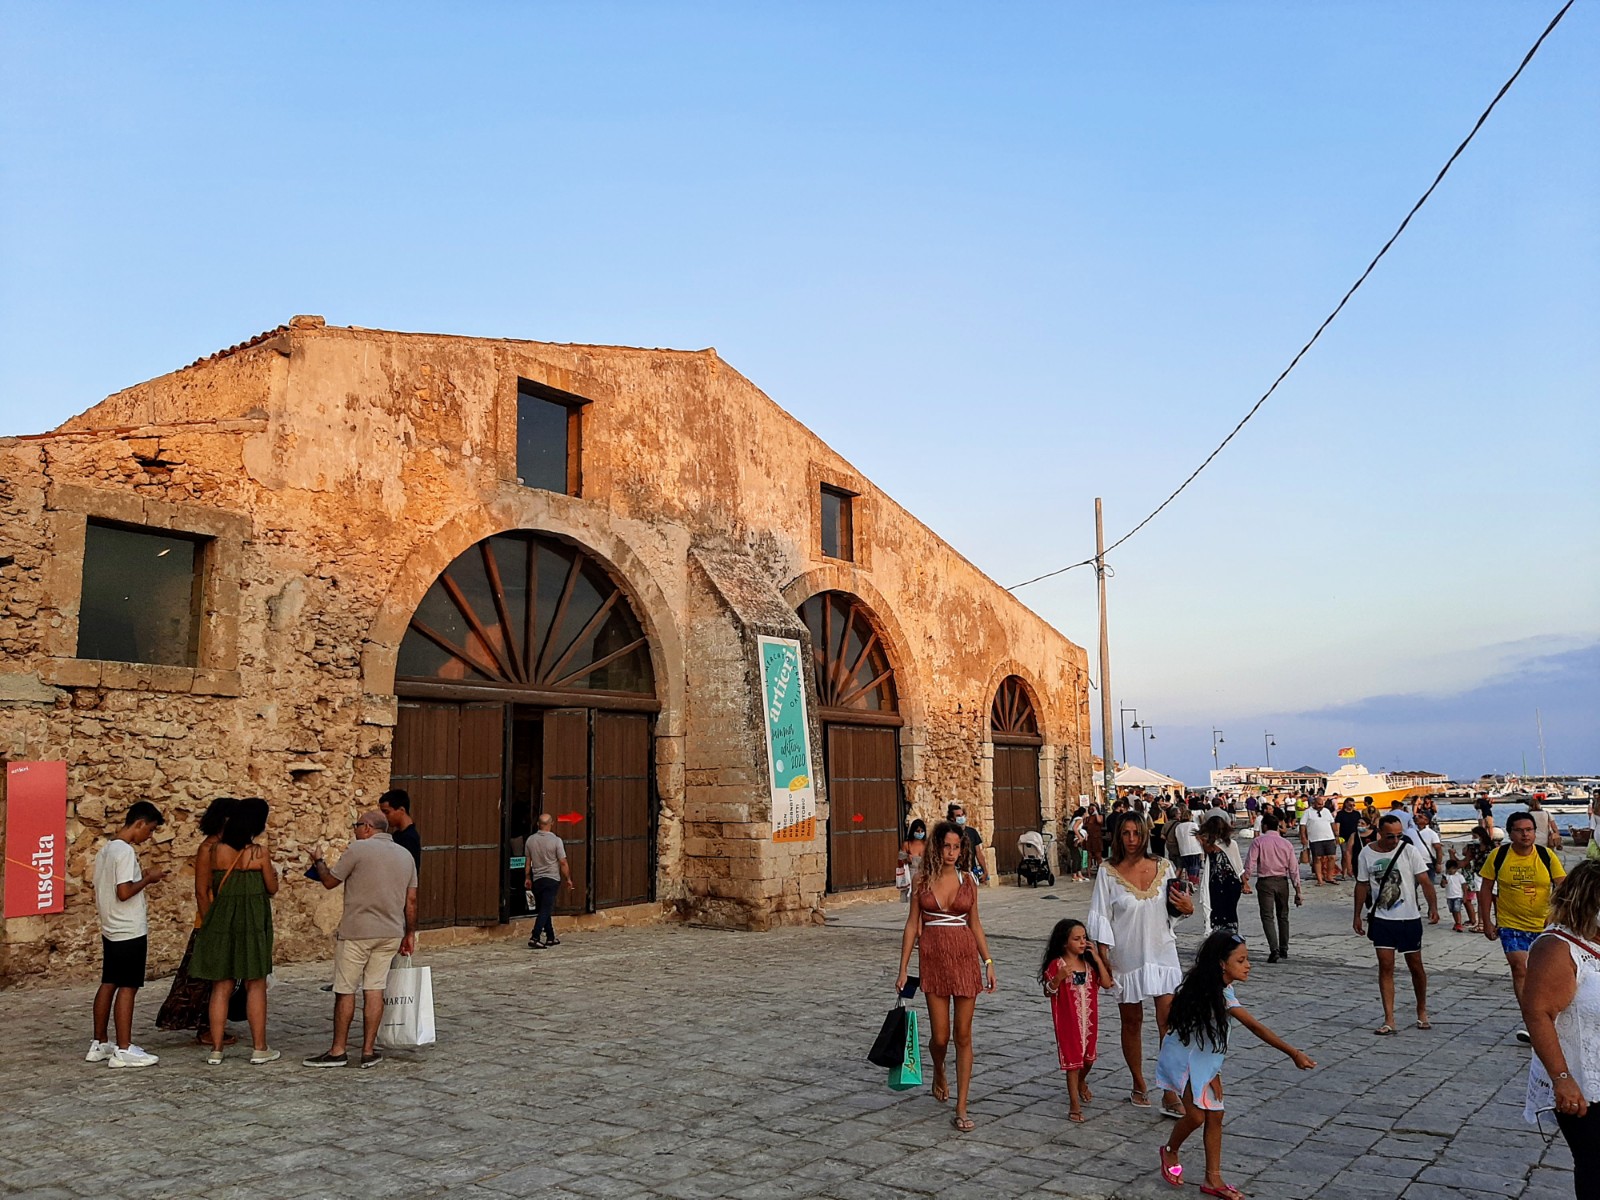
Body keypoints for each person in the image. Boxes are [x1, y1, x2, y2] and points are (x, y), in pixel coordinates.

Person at [1156, 931, 1315, 1198]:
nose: (1248, 965)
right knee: (1196, 1116)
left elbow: (1209, 1038)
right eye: (1241, 961)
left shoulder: (1222, 988)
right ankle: (1170, 1150)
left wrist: (1213, 1072)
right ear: (1222, 963)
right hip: (1183, 1060)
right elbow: (1255, 1027)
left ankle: (1213, 1178)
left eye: (1247, 959)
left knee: (1216, 1115)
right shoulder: (1216, 994)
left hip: (1205, 1061)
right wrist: (1293, 1053)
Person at [1086, 812, 1191, 1118]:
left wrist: (1187, 908)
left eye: (1136, 833)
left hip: (1162, 952)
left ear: (1145, 834)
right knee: (1131, 1021)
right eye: (1126, 833)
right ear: (1118, 836)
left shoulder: (1164, 867)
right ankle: (1138, 1082)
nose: (1131, 839)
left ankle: (1169, 1090)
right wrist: (1103, 959)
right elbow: (1100, 915)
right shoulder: (1108, 872)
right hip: (1127, 956)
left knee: (1168, 1022)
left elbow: (1175, 908)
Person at [896, 820, 996, 1133]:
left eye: (956, 847)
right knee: (940, 1037)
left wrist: (988, 961)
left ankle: (962, 1105)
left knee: (963, 1034)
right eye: (946, 847)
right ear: (936, 848)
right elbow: (912, 924)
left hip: (965, 958)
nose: (951, 852)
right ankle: (939, 1067)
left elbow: (975, 923)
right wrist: (903, 968)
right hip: (934, 959)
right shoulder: (922, 880)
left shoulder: (968, 880)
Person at [304, 810, 418, 1069]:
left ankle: (338, 1050)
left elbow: (330, 881)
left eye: (356, 825)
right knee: (375, 988)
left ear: (367, 827)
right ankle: (368, 1050)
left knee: (345, 989)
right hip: (390, 931)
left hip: (357, 931)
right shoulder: (405, 855)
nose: (354, 830)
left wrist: (318, 860)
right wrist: (409, 933)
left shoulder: (358, 849)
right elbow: (411, 900)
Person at [1520, 860, 1600, 1197]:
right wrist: (1562, 1079)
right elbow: (1537, 1013)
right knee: (1595, 1164)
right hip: (1584, 1083)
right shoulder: (1557, 947)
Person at [190, 797, 280, 1065]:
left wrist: (210, 923)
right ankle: (259, 1047)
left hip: (221, 922)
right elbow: (272, 888)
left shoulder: (213, 851)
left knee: (221, 985)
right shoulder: (259, 853)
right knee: (255, 984)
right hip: (252, 923)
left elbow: (202, 889)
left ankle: (216, 1049)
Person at [87, 802, 168, 1069]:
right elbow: (123, 892)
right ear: (139, 823)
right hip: (128, 929)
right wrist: (148, 879)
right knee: (128, 986)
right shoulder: (124, 851)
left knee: (109, 982)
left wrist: (140, 877)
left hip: (111, 926)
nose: (150, 836)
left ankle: (100, 1042)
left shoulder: (106, 850)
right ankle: (124, 1048)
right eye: (150, 830)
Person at [156, 796, 240, 1046]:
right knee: (202, 980)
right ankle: (206, 1028)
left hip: (227, 921)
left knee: (219, 979)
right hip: (210, 923)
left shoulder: (228, 847)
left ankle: (212, 1025)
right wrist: (212, 924)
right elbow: (202, 891)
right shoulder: (207, 849)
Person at [1480, 810, 1567, 1043]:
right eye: (1519, 830)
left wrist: (1556, 915)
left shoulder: (1546, 855)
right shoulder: (1498, 856)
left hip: (1544, 925)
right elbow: (1485, 889)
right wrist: (1486, 921)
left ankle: (1549, 1019)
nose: (1525, 835)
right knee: (1520, 969)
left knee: (1546, 975)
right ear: (1510, 833)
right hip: (1511, 924)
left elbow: (1563, 887)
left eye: (1529, 830)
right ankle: (1533, 1022)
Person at [1353, 814, 1439, 1035]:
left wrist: (1433, 907)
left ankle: (1421, 1010)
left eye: (1399, 835)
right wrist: (1357, 915)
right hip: (1382, 918)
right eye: (1390, 836)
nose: (1395, 840)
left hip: (1409, 917)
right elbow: (1362, 885)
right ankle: (1389, 1018)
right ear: (1379, 832)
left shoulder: (1409, 850)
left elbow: (1424, 880)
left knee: (1415, 966)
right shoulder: (1366, 854)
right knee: (1386, 965)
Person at [1039, 918, 1109, 1123]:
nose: (1081, 942)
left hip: (1090, 1022)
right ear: (1064, 942)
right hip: (1068, 1023)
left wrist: (1097, 959)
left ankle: (1081, 1081)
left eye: (1084, 938)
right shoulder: (1057, 965)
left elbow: (1106, 983)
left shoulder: (1089, 965)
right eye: (1076, 939)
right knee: (1073, 1063)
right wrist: (1058, 978)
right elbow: (1048, 991)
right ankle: (1074, 1105)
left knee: (1089, 1059)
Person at [1241, 813, 1302, 963]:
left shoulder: (1258, 842)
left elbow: (1250, 864)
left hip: (1265, 882)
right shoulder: (1286, 844)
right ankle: (1284, 948)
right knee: (1283, 916)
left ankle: (1274, 949)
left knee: (1267, 916)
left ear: (1265, 826)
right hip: (1282, 881)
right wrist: (1298, 891)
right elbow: (1294, 869)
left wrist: (1245, 880)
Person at [524, 812, 577, 947]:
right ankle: (535, 936)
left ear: (538, 824)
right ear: (551, 824)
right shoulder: (556, 841)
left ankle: (550, 937)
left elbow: (528, 862)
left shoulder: (530, 840)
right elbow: (563, 862)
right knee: (545, 909)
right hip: (552, 878)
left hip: (537, 878)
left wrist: (527, 877)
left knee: (544, 907)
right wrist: (568, 879)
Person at [1197, 815, 1248, 936]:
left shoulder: (1208, 844)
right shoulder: (1231, 844)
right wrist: (1245, 882)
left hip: (1217, 883)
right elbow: (1238, 866)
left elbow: (1237, 865)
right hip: (1231, 882)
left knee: (1218, 911)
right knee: (1229, 912)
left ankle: (1219, 936)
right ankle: (1231, 935)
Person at [378, 789, 422, 871]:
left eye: (387, 812)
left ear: (401, 810)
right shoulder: (398, 835)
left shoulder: (409, 838)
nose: (384, 817)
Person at [947, 802, 989, 883]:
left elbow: (979, 853)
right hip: (954, 873)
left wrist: (985, 870)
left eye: (962, 815)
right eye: (958, 816)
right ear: (952, 818)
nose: (961, 817)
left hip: (970, 872)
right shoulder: (949, 834)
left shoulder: (972, 832)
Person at [1300, 797, 1338, 886]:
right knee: (1317, 858)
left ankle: (1329, 876)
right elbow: (1302, 825)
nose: (1320, 806)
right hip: (1315, 839)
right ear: (1314, 804)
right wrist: (1303, 837)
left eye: (1322, 804)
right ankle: (1320, 879)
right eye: (1319, 804)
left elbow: (1332, 823)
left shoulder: (1326, 811)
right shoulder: (1308, 812)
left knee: (1332, 857)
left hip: (1329, 837)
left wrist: (1336, 834)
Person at [1169, 806, 1202, 886]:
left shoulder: (1178, 826)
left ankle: (1190, 882)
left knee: (1188, 867)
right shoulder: (1193, 825)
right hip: (1194, 849)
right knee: (1195, 867)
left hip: (1183, 850)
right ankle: (1193, 883)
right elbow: (1198, 836)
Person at [897, 817, 927, 900]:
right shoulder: (907, 844)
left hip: (924, 875)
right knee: (911, 900)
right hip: (910, 876)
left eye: (922, 831)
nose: (920, 833)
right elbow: (899, 863)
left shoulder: (927, 844)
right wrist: (906, 859)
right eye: (917, 831)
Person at [1334, 798, 1362, 881]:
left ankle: (1354, 870)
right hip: (1344, 837)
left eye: (1353, 805)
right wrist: (1337, 835)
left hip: (1355, 836)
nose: (1352, 806)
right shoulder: (1340, 814)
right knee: (1345, 854)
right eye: (1350, 805)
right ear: (1346, 804)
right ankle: (1344, 872)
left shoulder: (1356, 813)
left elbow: (1360, 824)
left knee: (1355, 854)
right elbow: (1337, 825)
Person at [1412, 809, 1443, 884]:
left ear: (1426, 821)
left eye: (1420, 817)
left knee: (1429, 885)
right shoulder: (1410, 831)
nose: (1417, 817)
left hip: (1427, 863)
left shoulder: (1431, 833)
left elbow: (1438, 849)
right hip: (1413, 863)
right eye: (1417, 816)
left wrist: (1438, 864)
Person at [1444, 859, 1469, 932]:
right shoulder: (1445, 876)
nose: (1450, 871)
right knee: (1453, 910)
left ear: (1455, 869)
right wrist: (1443, 882)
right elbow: (1442, 885)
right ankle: (1456, 922)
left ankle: (1459, 923)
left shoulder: (1459, 876)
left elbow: (1464, 886)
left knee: (1457, 910)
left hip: (1458, 896)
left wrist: (1465, 895)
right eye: (1449, 869)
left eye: (1452, 869)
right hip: (1449, 896)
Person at [1083, 804, 1105, 875]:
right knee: (1089, 855)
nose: (1091, 810)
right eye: (1090, 809)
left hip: (1097, 838)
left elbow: (1099, 821)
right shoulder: (1088, 818)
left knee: (1098, 855)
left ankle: (1100, 871)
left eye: (1092, 809)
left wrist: (1096, 812)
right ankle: (1088, 871)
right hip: (1089, 838)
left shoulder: (1100, 816)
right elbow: (1084, 825)